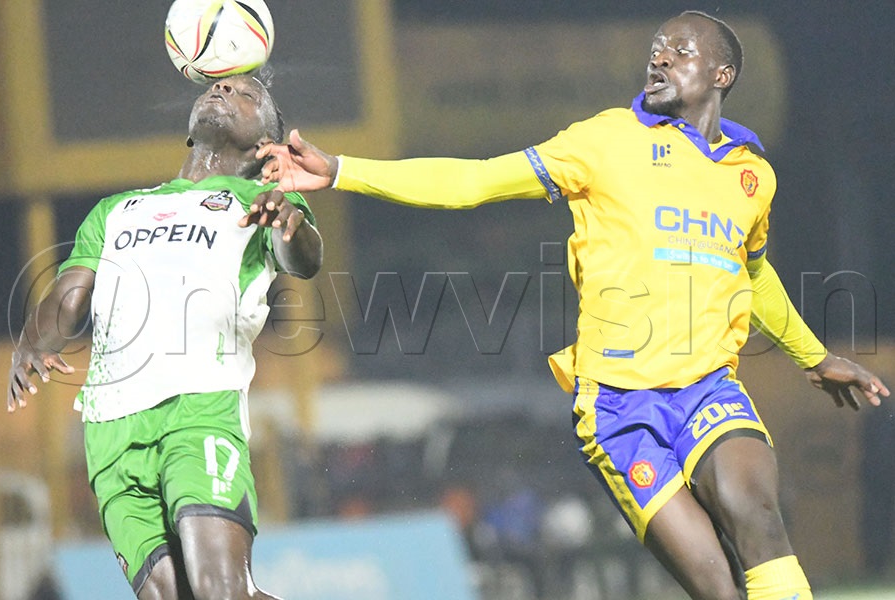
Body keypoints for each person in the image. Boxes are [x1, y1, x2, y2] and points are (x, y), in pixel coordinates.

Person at [256, 11, 888, 600]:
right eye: (655, 51)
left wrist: (813, 355)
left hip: (708, 388)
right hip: (619, 408)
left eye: (680, 51)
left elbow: (752, 273)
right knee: (719, 587)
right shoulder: (604, 141)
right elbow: (475, 182)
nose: (660, 60)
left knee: (755, 510)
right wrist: (342, 170)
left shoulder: (751, 175)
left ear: (722, 75)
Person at [7, 73, 322, 599]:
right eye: (218, 88)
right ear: (189, 131)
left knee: (219, 590)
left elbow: (304, 261)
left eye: (246, 95)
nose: (224, 92)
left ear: (264, 144)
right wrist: (31, 343)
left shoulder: (262, 199)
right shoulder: (117, 210)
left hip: (198, 409)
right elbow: (69, 294)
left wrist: (288, 221)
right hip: (108, 431)